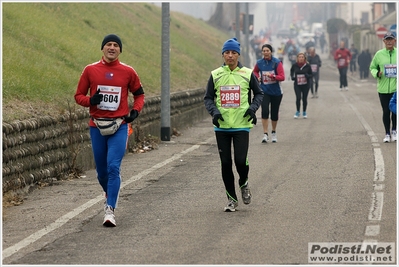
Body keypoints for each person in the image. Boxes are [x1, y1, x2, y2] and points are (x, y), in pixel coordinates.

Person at [74, 34, 145, 226]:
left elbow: (140, 95)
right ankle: (109, 191)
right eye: (108, 45)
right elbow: (78, 95)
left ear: (120, 50)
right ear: (102, 48)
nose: (112, 48)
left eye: (115, 45)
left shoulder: (128, 71)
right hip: (97, 125)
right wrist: (91, 101)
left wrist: (135, 112)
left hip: (119, 126)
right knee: (102, 172)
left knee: (114, 167)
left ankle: (110, 209)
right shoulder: (90, 70)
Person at [204, 37, 263, 212]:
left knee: (239, 160)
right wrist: (214, 112)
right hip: (221, 126)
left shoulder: (247, 73)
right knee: (225, 163)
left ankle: (243, 183)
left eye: (233, 52)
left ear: (238, 54)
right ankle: (231, 199)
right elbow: (208, 98)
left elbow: (259, 94)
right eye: (227, 52)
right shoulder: (215, 74)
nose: (230, 56)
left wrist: (252, 109)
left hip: (241, 125)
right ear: (223, 55)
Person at [253, 44, 285, 143]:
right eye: (264, 51)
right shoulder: (259, 63)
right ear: (262, 52)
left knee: (274, 113)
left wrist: (272, 76)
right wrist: (257, 77)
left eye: (267, 50)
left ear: (271, 52)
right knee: (265, 111)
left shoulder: (276, 63)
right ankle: (265, 134)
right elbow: (255, 72)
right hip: (264, 91)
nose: (266, 52)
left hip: (276, 92)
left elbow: (282, 77)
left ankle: (274, 132)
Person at [369, 32, 397, 143]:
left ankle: (394, 131)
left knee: (395, 111)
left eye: (391, 39)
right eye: (387, 40)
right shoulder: (379, 54)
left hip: (396, 89)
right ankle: (387, 133)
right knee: (386, 111)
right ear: (384, 41)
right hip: (383, 89)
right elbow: (372, 67)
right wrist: (377, 74)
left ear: (395, 40)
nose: (389, 41)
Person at [290, 52, 313, 118]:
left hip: (306, 85)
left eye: (302, 57)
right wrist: (292, 77)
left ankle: (304, 112)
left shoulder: (307, 66)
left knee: (304, 98)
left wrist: (308, 76)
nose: (301, 58)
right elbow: (292, 71)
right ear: (297, 58)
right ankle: (297, 111)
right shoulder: (295, 65)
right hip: (297, 84)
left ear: (304, 58)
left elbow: (311, 74)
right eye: (299, 57)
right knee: (298, 98)